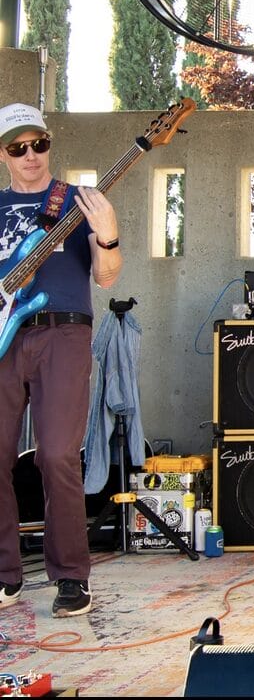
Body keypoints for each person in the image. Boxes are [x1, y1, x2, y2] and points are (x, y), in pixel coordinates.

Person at [0, 102, 124, 618]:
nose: (31, 155)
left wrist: (109, 233)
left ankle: (71, 576)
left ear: (50, 143)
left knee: (56, 455)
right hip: (6, 340)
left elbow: (108, 275)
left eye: (39, 144)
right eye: (18, 147)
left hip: (64, 334)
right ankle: (5, 575)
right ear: (5, 154)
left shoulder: (77, 201)